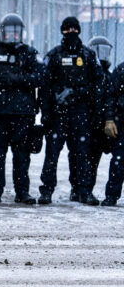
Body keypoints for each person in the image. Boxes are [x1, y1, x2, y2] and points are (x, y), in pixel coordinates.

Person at [0, 13, 44, 204]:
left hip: (22, 113)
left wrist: (18, 80)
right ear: (2, 32)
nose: (13, 36)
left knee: (22, 155)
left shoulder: (29, 53)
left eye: (16, 32)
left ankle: (22, 192)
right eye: (9, 32)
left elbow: (42, 77)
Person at [38, 17, 103, 205]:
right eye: (67, 29)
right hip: (59, 113)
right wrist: (47, 112)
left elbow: (98, 83)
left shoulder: (89, 56)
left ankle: (83, 191)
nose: (71, 32)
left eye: (74, 28)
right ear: (62, 31)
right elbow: (45, 87)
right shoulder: (54, 55)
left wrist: (82, 96)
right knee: (52, 153)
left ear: (79, 30)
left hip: (80, 112)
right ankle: (47, 191)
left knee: (82, 153)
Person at [81, 36, 114, 196]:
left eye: (105, 52)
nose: (102, 56)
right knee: (85, 159)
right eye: (98, 52)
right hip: (87, 123)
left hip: (102, 124)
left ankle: (86, 190)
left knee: (93, 159)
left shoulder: (110, 77)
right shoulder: (87, 76)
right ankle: (82, 190)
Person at [101, 43, 124, 206]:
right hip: (122, 122)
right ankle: (112, 195)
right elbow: (110, 97)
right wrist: (109, 119)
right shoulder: (121, 70)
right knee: (119, 160)